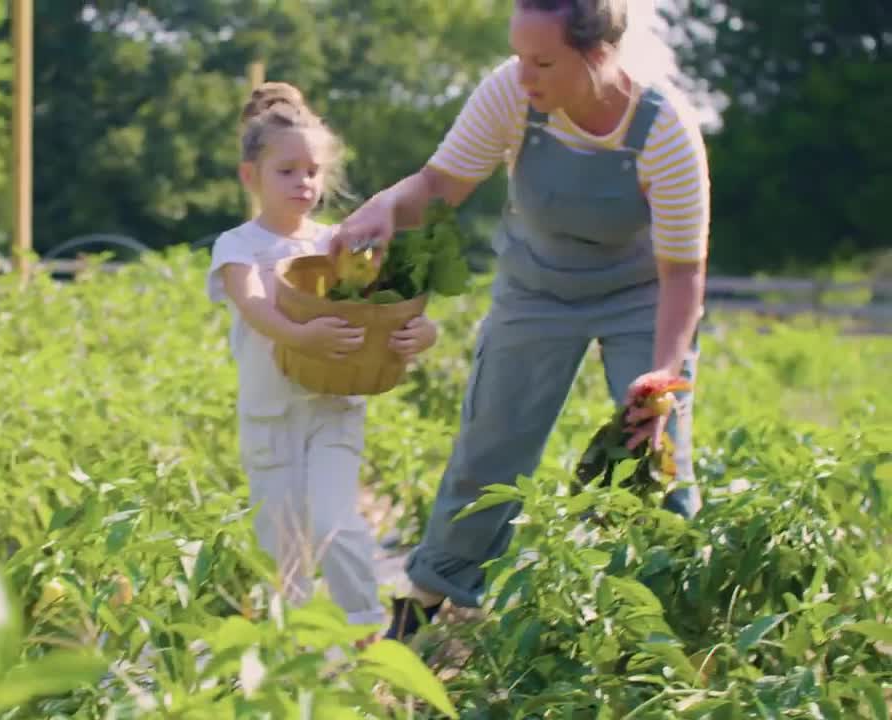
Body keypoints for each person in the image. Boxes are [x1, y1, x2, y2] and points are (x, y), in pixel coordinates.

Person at [328, 0, 711, 641]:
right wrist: (384, 206)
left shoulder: (664, 130)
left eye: (542, 61)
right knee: (490, 448)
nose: (524, 74)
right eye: (519, 56)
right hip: (536, 287)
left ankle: (668, 628)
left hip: (639, 294)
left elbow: (682, 273)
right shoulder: (512, 93)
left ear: (597, 56)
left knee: (652, 449)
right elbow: (438, 185)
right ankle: (424, 608)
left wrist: (665, 372)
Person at [205, 82, 439, 639]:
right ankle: (296, 652)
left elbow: (383, 307)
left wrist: (421, 333)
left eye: (312, 171)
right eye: (286, 171)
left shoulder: (340, 242)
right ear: (250, 176)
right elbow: (255, 306)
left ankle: (367, 636)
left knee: (336, 524)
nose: (303, 182)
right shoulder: (238, 246)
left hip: (334, 408)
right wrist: (301, 335)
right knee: (281, 542)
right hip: (271, 418)